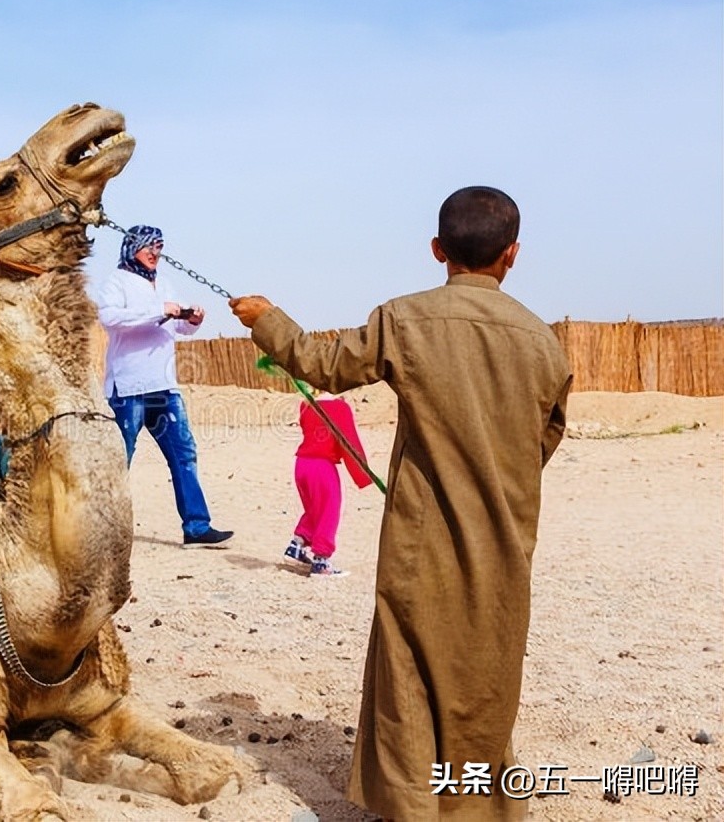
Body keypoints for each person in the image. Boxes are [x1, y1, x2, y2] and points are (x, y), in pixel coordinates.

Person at [230, 186, 571, 819]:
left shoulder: (405, 318)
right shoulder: (541, 340)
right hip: (505, 540)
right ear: (513, 255)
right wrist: (496, 480)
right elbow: (546, 435)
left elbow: (322, 366)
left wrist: (266, 318)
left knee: (408, 667)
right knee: (488, 670)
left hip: (421, 538)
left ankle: (413, 803)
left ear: (438, 250)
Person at [96, 225, 233, 549]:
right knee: (120, 460)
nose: (156, 252)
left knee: (184, 454)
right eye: (150, 246)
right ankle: (101, 530)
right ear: (134, 248)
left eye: (159, 246)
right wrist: (160, 310)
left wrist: (191, 319)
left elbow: (178, 327)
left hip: (164, 387)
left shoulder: (164, 283)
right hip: (129, 389)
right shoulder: (117, 282)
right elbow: (111, 318)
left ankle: (197, 527)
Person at [284, 396, 372, 577]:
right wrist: (363, 474)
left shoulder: (307, 405)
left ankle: (297, 546)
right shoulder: (339, 408)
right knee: (328, 511)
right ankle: (321, 561)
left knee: (315, 509)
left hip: (302, 464)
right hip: (322, 467)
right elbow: (349, 442)